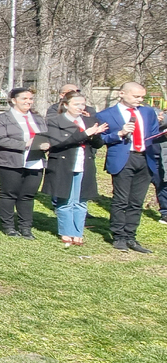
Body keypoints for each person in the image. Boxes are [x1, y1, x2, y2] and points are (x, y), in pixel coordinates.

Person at [97, 82, 161, 253]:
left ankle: (130, 236)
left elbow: (154, 133)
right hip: (123, 159)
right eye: (136, 96)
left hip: (145, 158)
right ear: (122, 94)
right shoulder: (106, 115)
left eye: (142, 97)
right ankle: (119, 236)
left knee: (136, 201)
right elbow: (99, 139)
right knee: (121, 200)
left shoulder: (147, 112)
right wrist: (119, 133)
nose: (140, 100)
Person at [44, 92, 107, 247]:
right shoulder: (55, 121)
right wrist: (85, 133)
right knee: (65, 199)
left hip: (84, 164)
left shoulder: (89, 121)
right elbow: (58, 142)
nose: (80, 107)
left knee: (81, 200)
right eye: (76, 104)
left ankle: (78, 233)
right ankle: (66, 232)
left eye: (82, 104)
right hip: (63, 164)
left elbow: (98, 144)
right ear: (66, 105)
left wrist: (96, 135)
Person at [0, 87, 49, 239]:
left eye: (30, 99)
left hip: (35, 161)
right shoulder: (3, 118)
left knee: (27, 195)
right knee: (9, 193)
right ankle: (8, 226)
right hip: (9, 161)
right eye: (24, 98)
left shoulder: (38, 118)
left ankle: (25, 227)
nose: (28, 102)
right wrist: (24, 144)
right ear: (14, 100)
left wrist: (47, 144)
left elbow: (46, 135)